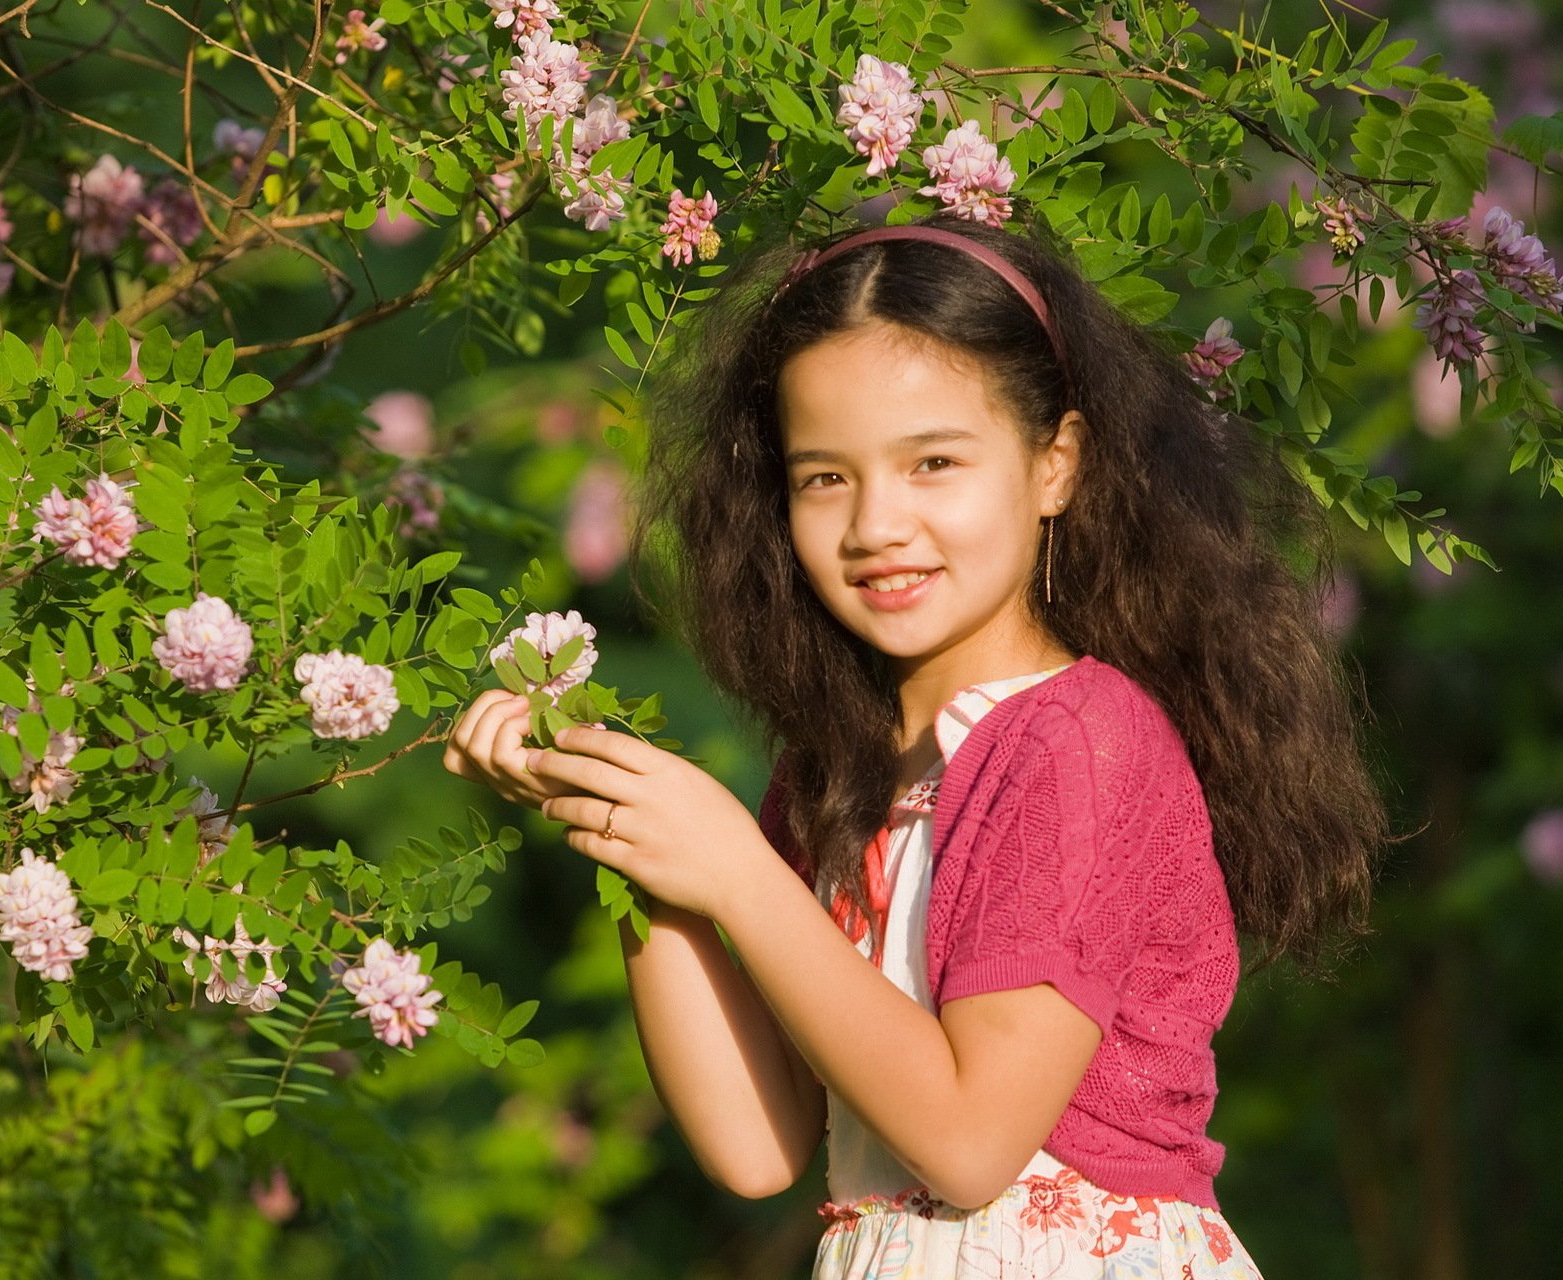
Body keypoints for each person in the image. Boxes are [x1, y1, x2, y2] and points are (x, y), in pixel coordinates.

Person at [443, 212, 1386, 1277]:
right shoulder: (834, 772)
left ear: (1056, 465)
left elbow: (973, 1140)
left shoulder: (1082, 738)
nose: (876, 523)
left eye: (933, 461)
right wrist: (638, 836)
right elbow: (757, 1144)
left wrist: (738, 873)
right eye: (824, 477)